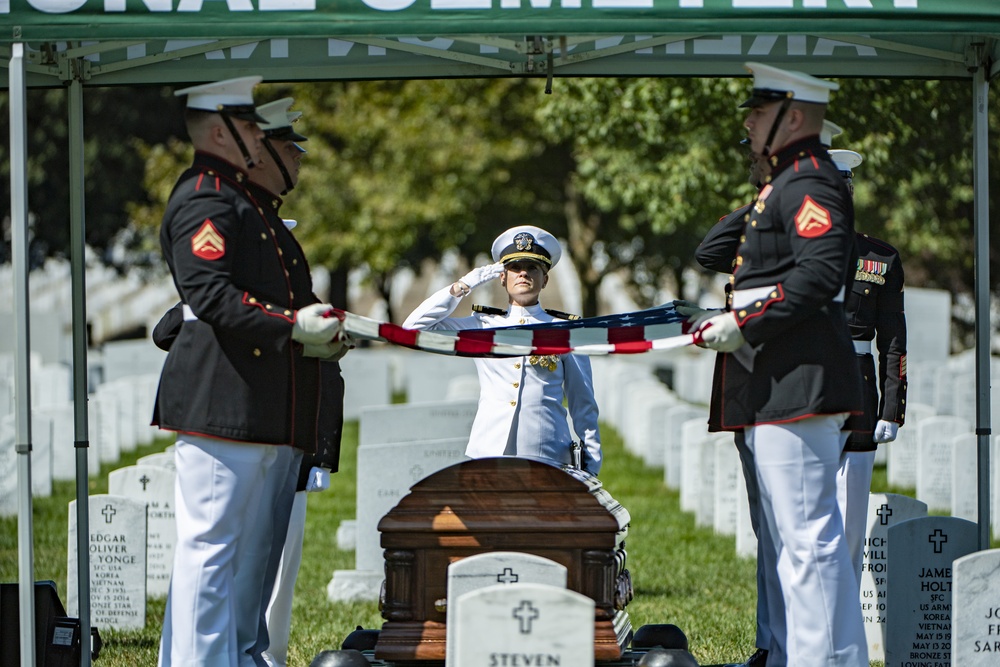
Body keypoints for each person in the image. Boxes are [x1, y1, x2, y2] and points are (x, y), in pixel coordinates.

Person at [153, 77, 342, 667]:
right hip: (224, 405)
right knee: (212, 553)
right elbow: (208, 294)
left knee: (251, 556)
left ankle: (235, 657)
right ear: (218, 131)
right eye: (250, 126)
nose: (260, 138)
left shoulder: (246, 203)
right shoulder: (207, 198)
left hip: (259, 407)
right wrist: (292, 327)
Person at [687, 62, 867, 666]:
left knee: (808, 541)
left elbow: (818, 273)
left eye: (759, 114)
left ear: (793, 116)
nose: (749, 123)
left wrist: (743, 323)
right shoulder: (789, 182)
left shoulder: (808, 181)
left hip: (798, 379)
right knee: (798, 543)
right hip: (780, 378)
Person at [402, 225, 602, 474]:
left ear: (545, 279)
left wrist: (591, 463)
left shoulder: (566, 330)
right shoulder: (482, 325)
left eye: (532, 268)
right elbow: (412, 328)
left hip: (547, 453)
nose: (523, 274)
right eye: (515, 268)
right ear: (503, 277)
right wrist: (463, 285)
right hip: (488, 451)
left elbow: (582, 401)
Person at [681, 139, 774, 667]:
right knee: (767, 526)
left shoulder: (813, 232)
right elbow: (709, 252)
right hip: (747, 389)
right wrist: (761, 201)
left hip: (793, 389)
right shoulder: (761, 221)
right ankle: (771, 642)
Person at [829, 148, 907, 586]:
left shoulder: (880, 259)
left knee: (852, 518)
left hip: (858, 389)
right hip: (808, 388)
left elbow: (893, 339)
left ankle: (844, 624)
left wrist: (892, 407)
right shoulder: (790, 254)